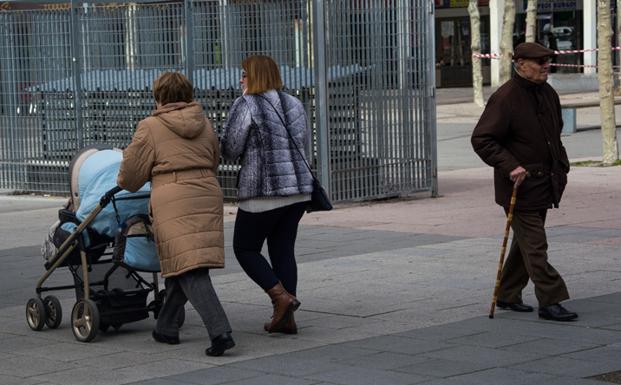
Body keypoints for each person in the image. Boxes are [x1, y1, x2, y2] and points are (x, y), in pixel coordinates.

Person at [117, 72, 235, 355]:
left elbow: (130, 178)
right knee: (183, 263)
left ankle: (220, 332)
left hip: (172, 197)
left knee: (190, 268)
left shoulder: (150, 126)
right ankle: (166, 328)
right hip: (206, 191)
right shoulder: (204, 122)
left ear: (158, 96)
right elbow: (214, 159)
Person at [471, 42, 578, 322]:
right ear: (520, 64)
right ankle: (551, 299)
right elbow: (482, 139)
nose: (546, 65)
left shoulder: (547, 93)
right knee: (536, 245)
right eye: (539, 61)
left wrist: (561, 166)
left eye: (548, 60)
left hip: (546, 183)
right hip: (518, 187)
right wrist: (510, 166)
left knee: (525, 243)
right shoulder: (505, 97)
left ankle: (507, 293)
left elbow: (554, 135)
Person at [221, 55, 313, 334]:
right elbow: (306, 144)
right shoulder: (294, 102)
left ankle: (280, 297)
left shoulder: (247, 104)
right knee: (283, 249)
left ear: (256, 76)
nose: (240, 80)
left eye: (244, 74)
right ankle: (286, 319)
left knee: (245, 248)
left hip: (263, 191)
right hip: (297, 191)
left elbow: (231, 148)